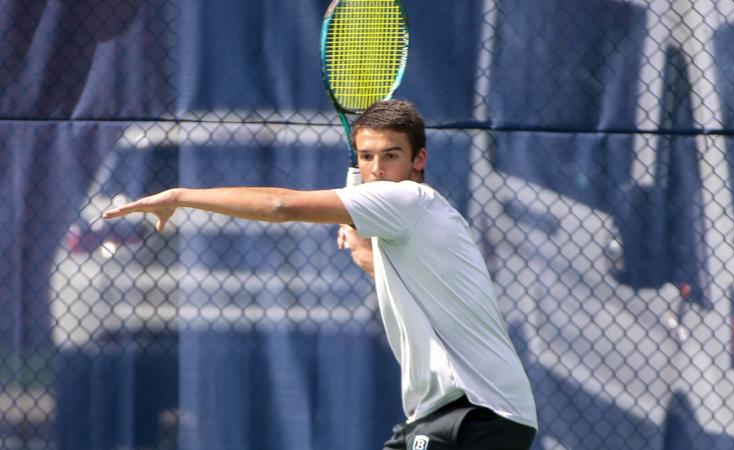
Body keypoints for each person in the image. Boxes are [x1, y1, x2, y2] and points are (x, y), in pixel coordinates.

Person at [103, 99, 537, 449]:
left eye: (391, 156)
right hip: (442, 415)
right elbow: (391, 275)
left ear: (418, 159)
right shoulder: (409, 219)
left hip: (480, 414)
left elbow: (280, 205)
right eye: (366, 157)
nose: (377, 169)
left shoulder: (408, 200)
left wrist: (180, 195)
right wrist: (365, 252)